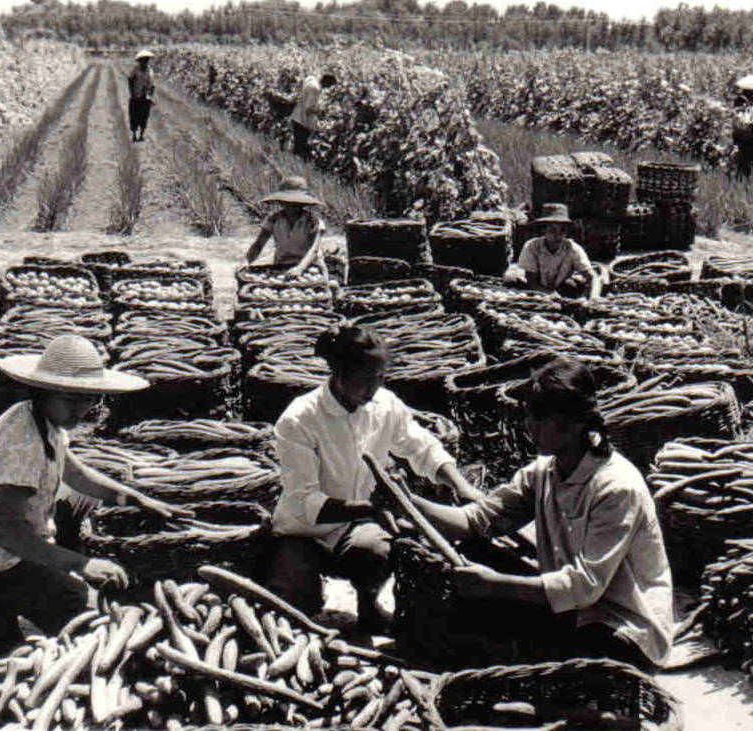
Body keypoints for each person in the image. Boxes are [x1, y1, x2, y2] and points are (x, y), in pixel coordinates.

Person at [412, 356, 674, 668]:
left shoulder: (616, 487)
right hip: (571, 610)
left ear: (574, 423)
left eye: (539, 417)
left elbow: (584, 586)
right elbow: (476, 520)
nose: (528, 425)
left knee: (579, 658)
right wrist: (409, 502)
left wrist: (495, 584)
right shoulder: (542, 473)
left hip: (621, 622)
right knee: (473, 565)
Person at [0, 335, 187, 651]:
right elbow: (8, 535)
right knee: (86, 616)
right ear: (44, 392)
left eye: (89, 399)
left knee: (67, 562)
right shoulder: (21, 442)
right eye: (72, 400)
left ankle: (2, 606)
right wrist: (81, 563)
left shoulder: (40, 419)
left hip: (1, 549)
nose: (82, 410)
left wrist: (132, 497)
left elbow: (75, 473)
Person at [267, 326, 480, 634]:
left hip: (356, 525)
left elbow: (422, 447)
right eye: (365, 378)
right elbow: (305, 501)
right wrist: (370, 509)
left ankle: (369, 606)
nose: (374, 388)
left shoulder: (386, 405)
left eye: (380, 377)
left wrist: (462, 486)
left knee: (377, 551)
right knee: (297, 612)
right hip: (303, 530)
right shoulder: (300, 419)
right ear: (339, 372)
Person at [246, 176, 328, 278]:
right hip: (281, 265)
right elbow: (258, 245)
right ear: (281, 202)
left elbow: (314, 250)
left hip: (310, 267)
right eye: (288, 202)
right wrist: (247, 263)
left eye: (297, 202)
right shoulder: (273, 219)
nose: (292, 205)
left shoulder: (312, 221)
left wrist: (300, 268)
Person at [517, 203, 594, 298]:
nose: (558, 236)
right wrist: (549, 293)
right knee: (512, 281)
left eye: (562, 231)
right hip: (537, 289)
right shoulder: (532, 246)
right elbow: (531, 280)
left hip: (562, 289)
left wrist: (590, 296)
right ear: (544, 230)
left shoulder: (573, 248)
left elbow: (591, 276)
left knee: (571, 285)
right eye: (552, 230)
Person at [289, 72, 335, 161]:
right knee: (300, 149)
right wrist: (320, 111)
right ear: (327, 83)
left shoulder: (311, 79)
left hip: (297, 115)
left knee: (297, 146)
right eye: (329, 86)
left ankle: (291, 166)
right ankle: (293, 169)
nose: (328, 89)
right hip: (303, 120)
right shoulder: (315, 89)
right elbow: (308, 109)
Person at [731, 88, 753, 180]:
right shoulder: (747, 102)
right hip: (748, 135)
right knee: (747, 158)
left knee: (742, 159)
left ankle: (741, 177)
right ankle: (744, 179)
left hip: (739, 134)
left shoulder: (739, 100)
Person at [128, 50, 155, 142]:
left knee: (144, 116)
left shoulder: (150, 71)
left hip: (145, 96)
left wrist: (150, 96)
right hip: (136, 95)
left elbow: (152, 85)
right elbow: (130, 80)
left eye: (146, 60)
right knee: (134, 116)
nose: (145, 62)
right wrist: (132, 93)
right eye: (143, 60)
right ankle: (134, 134)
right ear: (140, 61)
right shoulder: (135, 69)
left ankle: (141, 134)